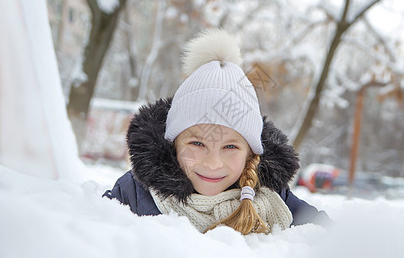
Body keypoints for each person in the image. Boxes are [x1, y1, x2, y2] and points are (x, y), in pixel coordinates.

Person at [103, 29, 330, 235]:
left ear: (250, 153)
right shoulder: (134, 192)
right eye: (197, 144)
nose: (213, 163)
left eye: (230, 146)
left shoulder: (273, 198)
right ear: (173, 143)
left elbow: (332, 238)